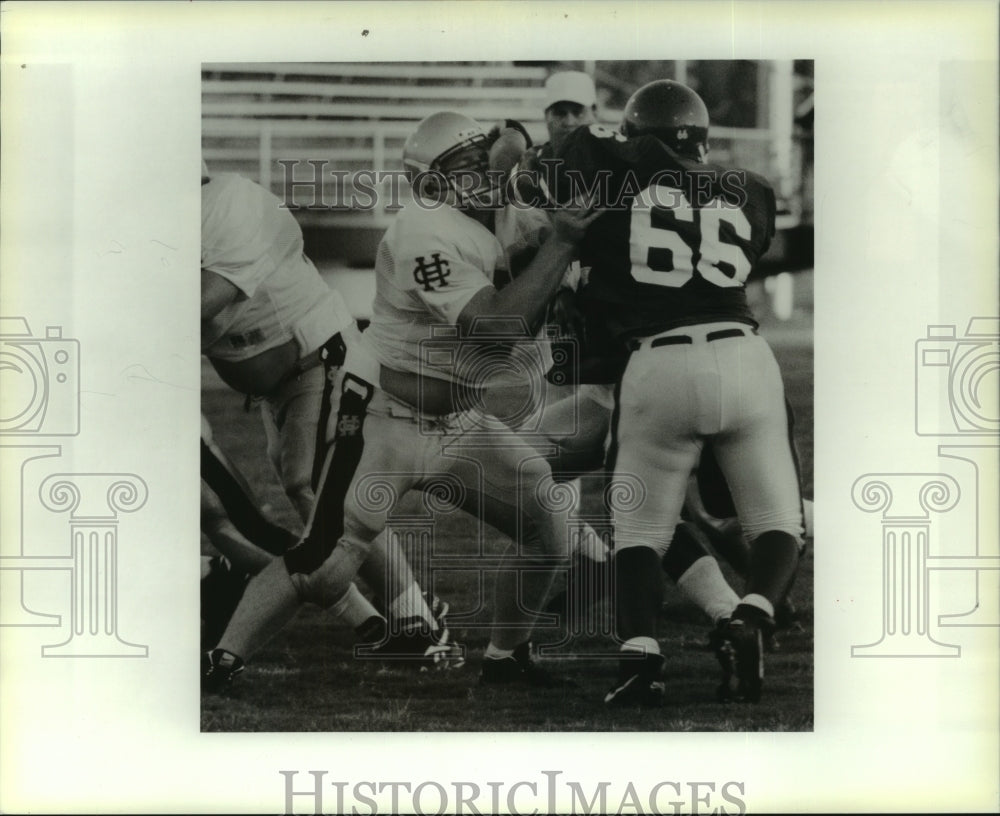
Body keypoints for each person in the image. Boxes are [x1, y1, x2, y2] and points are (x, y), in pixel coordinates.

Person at [202, 113, 600, 691]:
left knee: (548, 523)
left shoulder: (501, 206)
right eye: (462, 168)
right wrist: (560, 244)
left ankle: (506, 657)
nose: (481, 175)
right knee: (325, 561)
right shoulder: (423, 231)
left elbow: (517, 161)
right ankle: (222, 661)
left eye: (480, 162)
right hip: (383, 418)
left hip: (461, 422)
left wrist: (546, 188)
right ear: (432, 183)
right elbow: (495, 325)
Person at [542, 80, 805, 706]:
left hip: (655, 364)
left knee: (637, 528)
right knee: (777, 520)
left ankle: (641, 658)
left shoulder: (610, 188)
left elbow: (569, 158)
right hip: (744, 354)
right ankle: (754, 614)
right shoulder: (750, 190)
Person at [200, 161, 445, 660]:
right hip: (284, 380)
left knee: (326, 492)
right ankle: (388, 619)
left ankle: (415, 619)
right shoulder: (177, 219)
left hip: (319, 355)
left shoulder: (230, 201)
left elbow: (203, 298)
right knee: (312, 495)